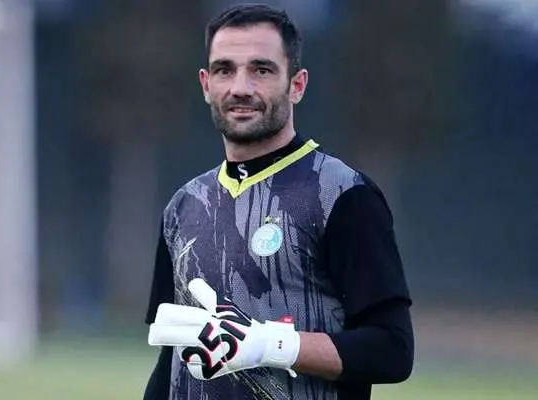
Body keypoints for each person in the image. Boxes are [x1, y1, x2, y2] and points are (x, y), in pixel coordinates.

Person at [143, 3, 414, 399]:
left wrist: (269, 344)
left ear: (297, 85)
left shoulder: (343, 195)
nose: (240, 87)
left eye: (262, 70)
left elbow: (392, 350)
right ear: (205, 84)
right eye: (224, 70)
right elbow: (172, 361)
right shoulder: (184, 206)